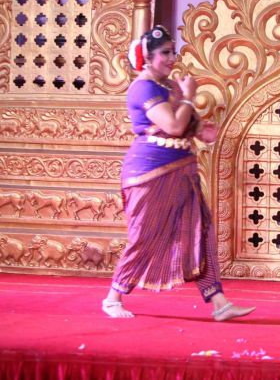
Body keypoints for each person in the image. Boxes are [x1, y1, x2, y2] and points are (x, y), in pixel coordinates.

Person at [101, 25, 255, 321]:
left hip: (183, 171)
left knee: (201, 232)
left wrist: (203, 129)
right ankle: (113, 297)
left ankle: (220, 303)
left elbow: (188, 127)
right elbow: (172, 126)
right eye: (165, 53)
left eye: (173, 52)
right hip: (150, 173)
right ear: (147, 57)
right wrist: (188, 97)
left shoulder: (170, 86)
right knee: (145, 235)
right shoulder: (143, 88)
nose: (172, 58)